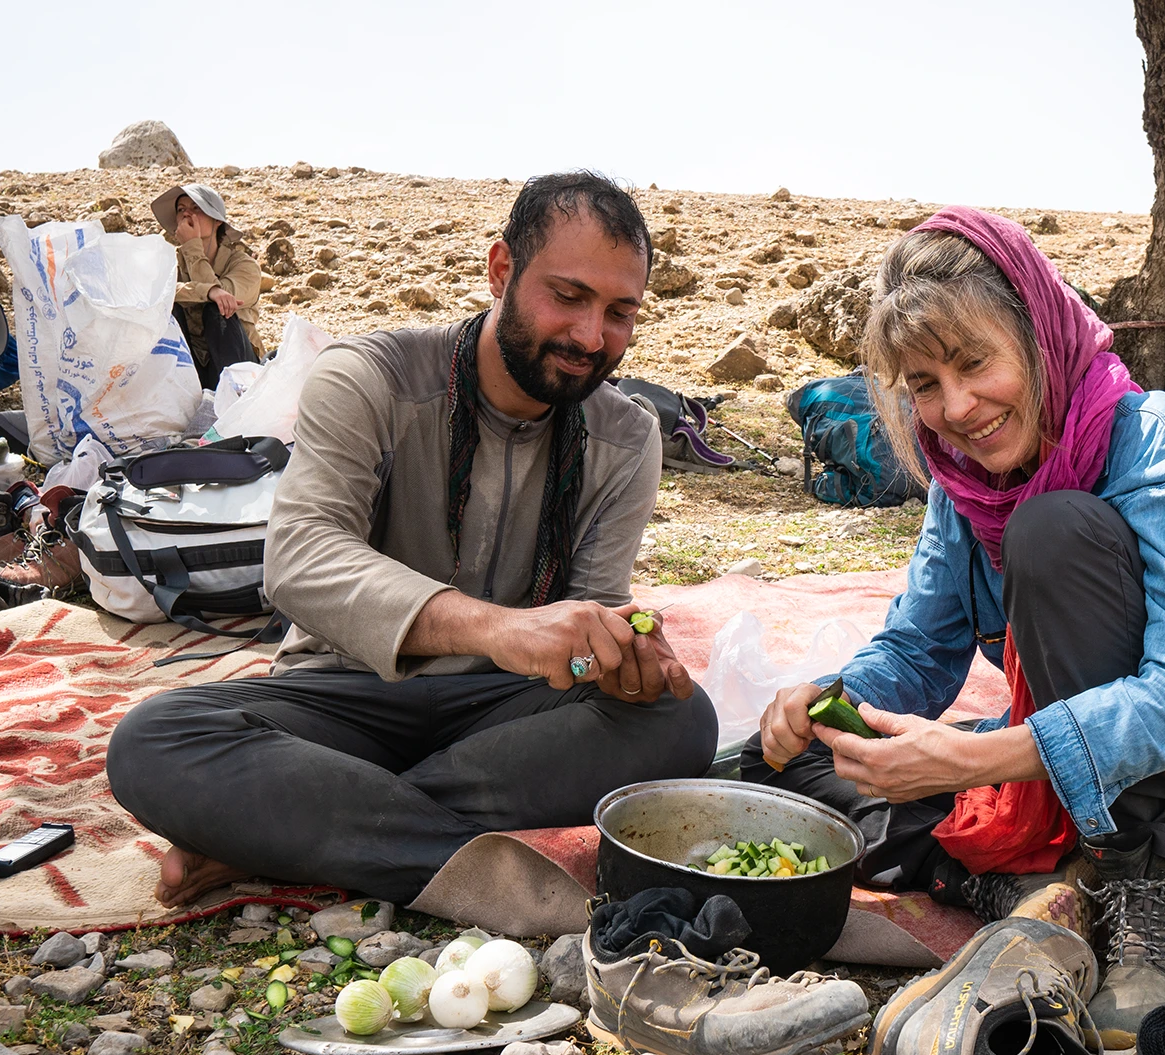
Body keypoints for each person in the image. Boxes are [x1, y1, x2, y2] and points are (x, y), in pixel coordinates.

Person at [748, 208, 1165, 1045]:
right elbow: (919, 648)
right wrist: (829, 704)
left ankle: (1144, 896)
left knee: (1054, 531)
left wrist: (980, 756)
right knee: (794, 769)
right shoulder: (961, 482)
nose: (957, 408)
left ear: (1039, 334)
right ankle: (1034, 888)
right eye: (923, 385)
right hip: (1072, 762)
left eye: (975, 363)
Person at [108, 172, 717, 908]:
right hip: (345, 697)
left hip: (507, 719)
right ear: (501, 271)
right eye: (569, 297)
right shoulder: (368, 379)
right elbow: (299, 560)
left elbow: (587, 627)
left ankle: (298, 833)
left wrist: (620, 654)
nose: (593, 338)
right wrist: (498, 628)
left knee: (681, 722)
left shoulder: (626, 435)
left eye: (620, 313)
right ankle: (448, 858)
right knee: (155, 739)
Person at [151, 183, 263, 391]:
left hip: (237, 366)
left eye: (196, 208)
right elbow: (158, 294)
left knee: (217, 310)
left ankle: (233, 401)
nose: (187, 215)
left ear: (217, 221)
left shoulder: (244, 265)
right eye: (181, 210)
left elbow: (225, 300)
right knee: (169, 310)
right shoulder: (169, 263)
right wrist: (208, 291)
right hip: (190, 366)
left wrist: (192, 247)